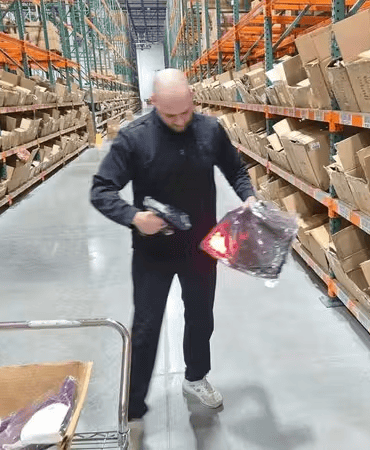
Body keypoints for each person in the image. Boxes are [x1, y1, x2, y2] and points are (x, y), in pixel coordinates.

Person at [90, 69, 255, 445]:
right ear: (153, 104)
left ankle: (195, 378)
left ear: (192, 99)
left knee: (200, 316)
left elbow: (236, 170)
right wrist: (134, 218)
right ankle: (133, 408)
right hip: (154, 252)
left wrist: (248, 197)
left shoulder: (210, 130)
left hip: (202, 247)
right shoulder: (134, 139)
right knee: (146, 328)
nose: (181, 121)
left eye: (186, 112)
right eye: (170, 115)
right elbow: (102, 190)